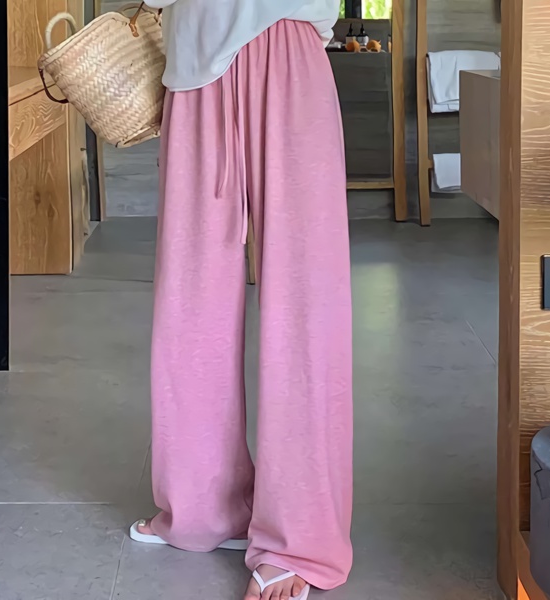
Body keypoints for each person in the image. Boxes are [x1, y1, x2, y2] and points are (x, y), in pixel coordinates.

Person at [129, 1, 353, 599]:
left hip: (287, 45)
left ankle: (300, 536)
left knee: (305, 300)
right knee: (189, 301)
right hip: (195, 66)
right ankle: (204, 505)